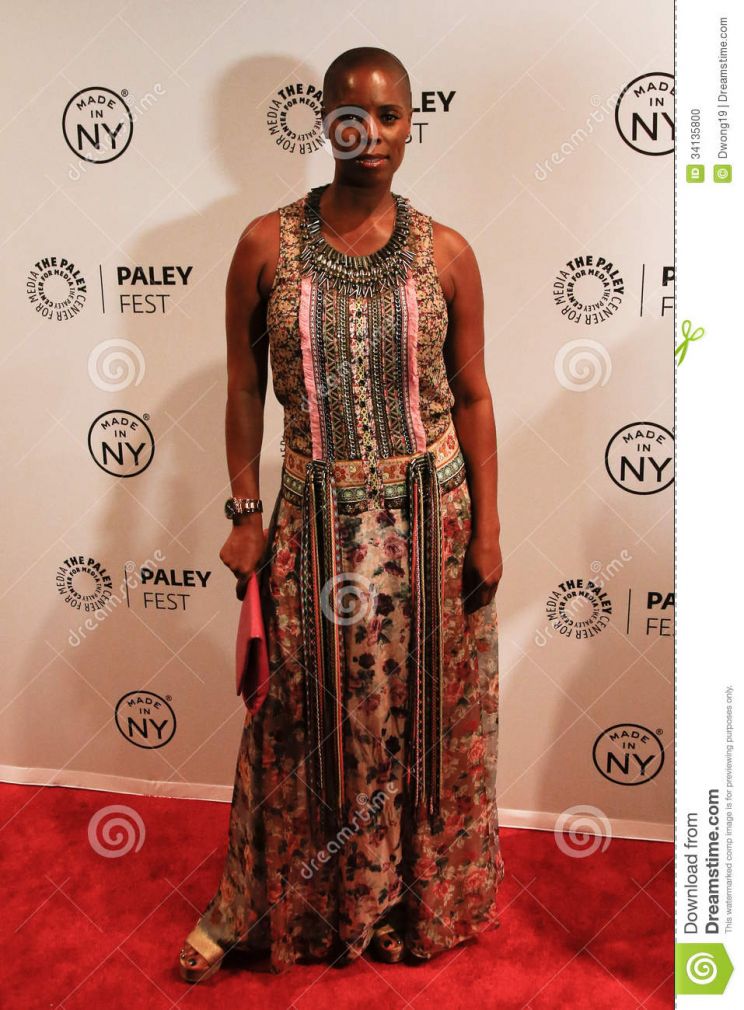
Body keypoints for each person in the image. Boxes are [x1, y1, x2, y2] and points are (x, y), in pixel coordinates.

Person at [178, 45, 505, 981]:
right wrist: (246, 509)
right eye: (352, 115)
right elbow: (244, 389)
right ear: (325, 122)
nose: (372, 134)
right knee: (299, 724)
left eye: (391, 115)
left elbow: (473, 396)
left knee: (427, 722)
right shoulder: (264, 245)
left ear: (411, 123)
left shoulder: (447, 252)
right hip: (314, 524)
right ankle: (266, 907)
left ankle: (414, 904)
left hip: (430, 526)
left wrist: (487, 529)